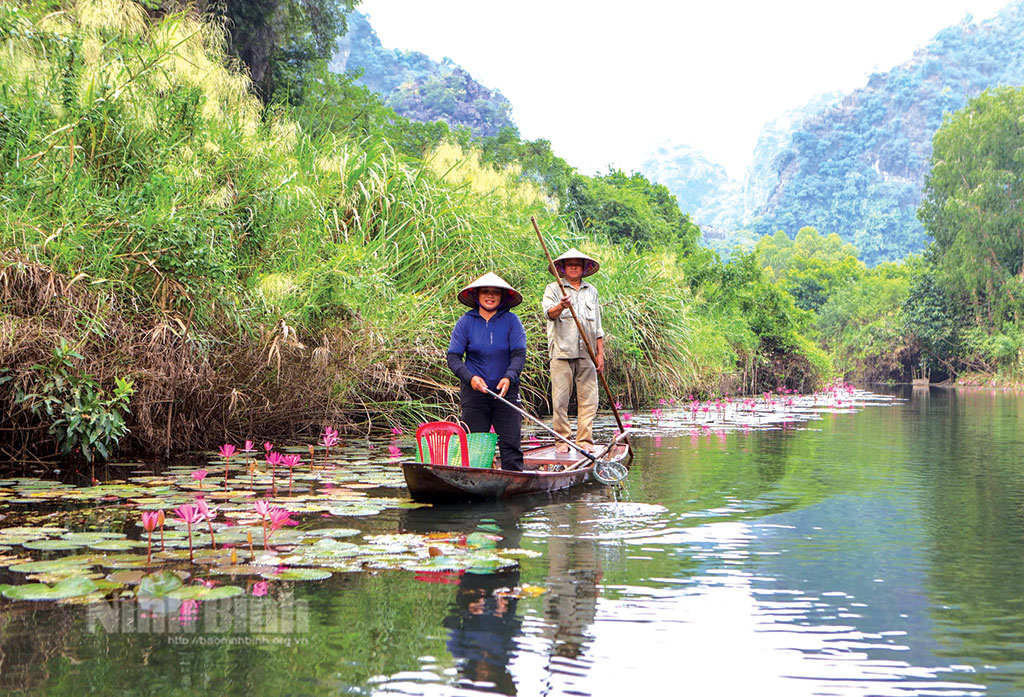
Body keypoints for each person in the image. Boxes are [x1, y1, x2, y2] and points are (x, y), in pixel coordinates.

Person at [447, 272, 527, 471]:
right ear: (477, 295)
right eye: (485, 292)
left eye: (495, 293)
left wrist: (509, 377)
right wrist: (470, 378)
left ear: (501, 297)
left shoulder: (512, 321)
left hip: (506, 393)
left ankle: (514, 486)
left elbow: (519, 355)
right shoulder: (465, 322)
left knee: (510, 446)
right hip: (474, 394)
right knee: (474, 448)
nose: (490, 296)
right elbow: (453, 358)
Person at [542, 248, 604, 453]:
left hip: (587, 353)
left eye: (578, 264)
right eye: (570, 264)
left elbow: (598, 327)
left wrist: (599, 353)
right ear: (563, 268)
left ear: (584, 268)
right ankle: (562, 441)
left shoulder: (592, 291)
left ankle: (584, 440)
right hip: (561, 352)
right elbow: (549, 314)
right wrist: (561, 305)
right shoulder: (553, 288)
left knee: (589, 399)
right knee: (560, 399)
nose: (574, 267)